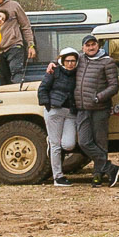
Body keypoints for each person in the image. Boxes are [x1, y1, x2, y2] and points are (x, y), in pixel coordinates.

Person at [73, 33, 119, 187]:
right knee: (84, 142)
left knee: (100, 142)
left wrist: (99, 97)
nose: (91, 47)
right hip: (82, 108)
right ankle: (110, 168)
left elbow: (114, 86)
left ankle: (97, 176)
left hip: (100, 108)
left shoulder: (107, 62)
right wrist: (52, 64)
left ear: (98, 46)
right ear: (83, 47)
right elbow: (63, 61)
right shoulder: (79, 59)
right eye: (87, 45)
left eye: (93, 44)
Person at [38, 46, 82, 187]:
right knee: (56, 145)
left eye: (73, 61)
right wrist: (48, 105)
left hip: (70, 112)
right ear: (63, 61)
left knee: (69, 144)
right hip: (55, 110)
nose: (70, 63)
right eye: (68, 61)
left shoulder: (78, 73)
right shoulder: (54, 71)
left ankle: (50, 140)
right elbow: (43, 88)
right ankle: (58, 177)